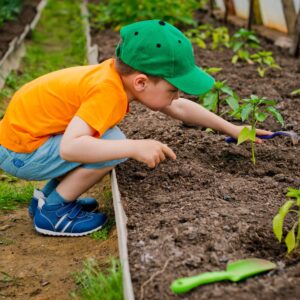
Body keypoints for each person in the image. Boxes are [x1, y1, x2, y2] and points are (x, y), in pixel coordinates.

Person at [0, 19, 271, 237]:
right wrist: (133, 147)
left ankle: (45, 200)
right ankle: (54, 211)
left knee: (106, 140)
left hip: (24, 141)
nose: (176, 96)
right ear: (140, 82)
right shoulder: (106, 93)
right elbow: (71, 147)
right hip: (21, 152)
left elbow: (179, 108)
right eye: (173, 89)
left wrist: (232, 129)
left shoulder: (117, 78)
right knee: (113, 144)